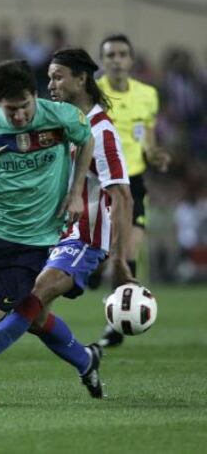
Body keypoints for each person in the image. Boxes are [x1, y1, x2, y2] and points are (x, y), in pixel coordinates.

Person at [0, 48, 133, 403]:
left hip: (86, 238)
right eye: (48, 76)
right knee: (35, 316)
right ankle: (86, 359)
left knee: (29, 301)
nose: (50, 83)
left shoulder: (102, 130)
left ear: (82, 79)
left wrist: (121, 259)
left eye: (58, 76)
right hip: (52, 234)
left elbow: (122, 194)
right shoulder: (55, 121)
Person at [97, 34, 171, 347]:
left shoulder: (147, 95)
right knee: (99, 256)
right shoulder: (94, 92)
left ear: (131, 60)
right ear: (103, 61)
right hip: (99, 181)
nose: (116, 59)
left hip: (134, 180)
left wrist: (154, 154)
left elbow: (146, 137)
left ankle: (119, 320)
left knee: (129, 251)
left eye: (122, 54)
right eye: (110, 55)